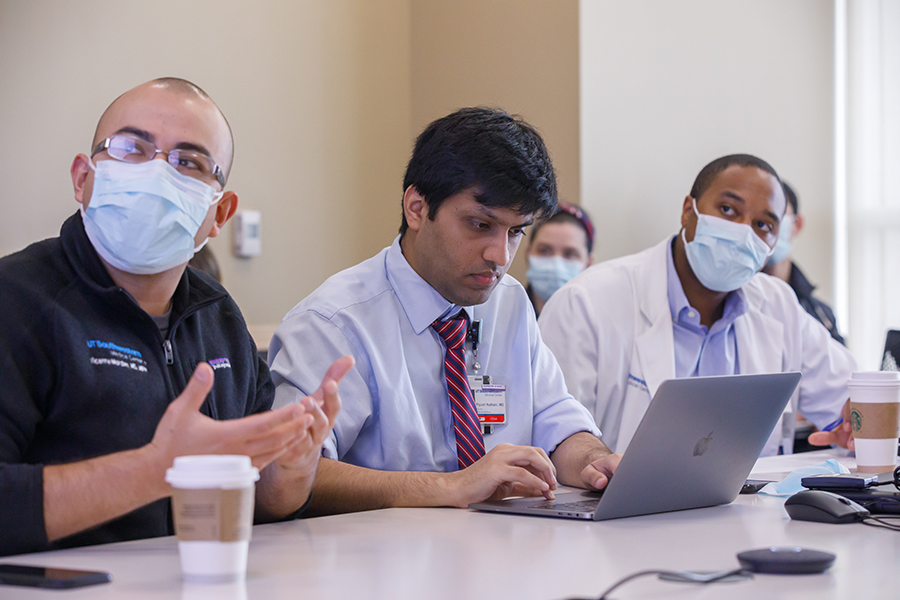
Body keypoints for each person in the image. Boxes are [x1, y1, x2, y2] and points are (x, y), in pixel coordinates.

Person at [0, 78, 351, 557]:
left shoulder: (218, 316)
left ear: (220, 213)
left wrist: (292, 466)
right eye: (132, 148)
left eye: (188, 162)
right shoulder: (17, 300)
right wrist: (156, 468)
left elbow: (267, 507)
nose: (157, 173)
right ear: (83, 177)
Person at [269, 107, 620, 516]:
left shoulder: (508, 302)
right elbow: (291, 477)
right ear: (416, 208)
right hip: (377, 563)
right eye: (479, 224)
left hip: (501, 552)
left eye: (515, 232)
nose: (500, 255)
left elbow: (556, 421)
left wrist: (596, 462)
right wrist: (452, 486)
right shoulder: (333, 323)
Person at [539, 154, 857, 457]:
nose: (744, 232)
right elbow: (554, 433)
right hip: (616, 510)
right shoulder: (586, 302)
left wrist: (861, 423)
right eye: (729, 210)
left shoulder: (778, 305)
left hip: (747, 511)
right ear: (688, 212)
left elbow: (854, 395)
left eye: (763, 225)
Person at [762, 182, 845, 344]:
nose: (766, 226)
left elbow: (843, 368)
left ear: (797, 224)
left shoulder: (820, 314)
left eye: (775, 214)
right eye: (759, 220)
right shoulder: (727, 303)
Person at [525, 202, 594, 316]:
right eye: (544, 250)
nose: (556, 264)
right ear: (528, 254)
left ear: (589, 263)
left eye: (570, 254)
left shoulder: (599, 324)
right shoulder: (502, 313)